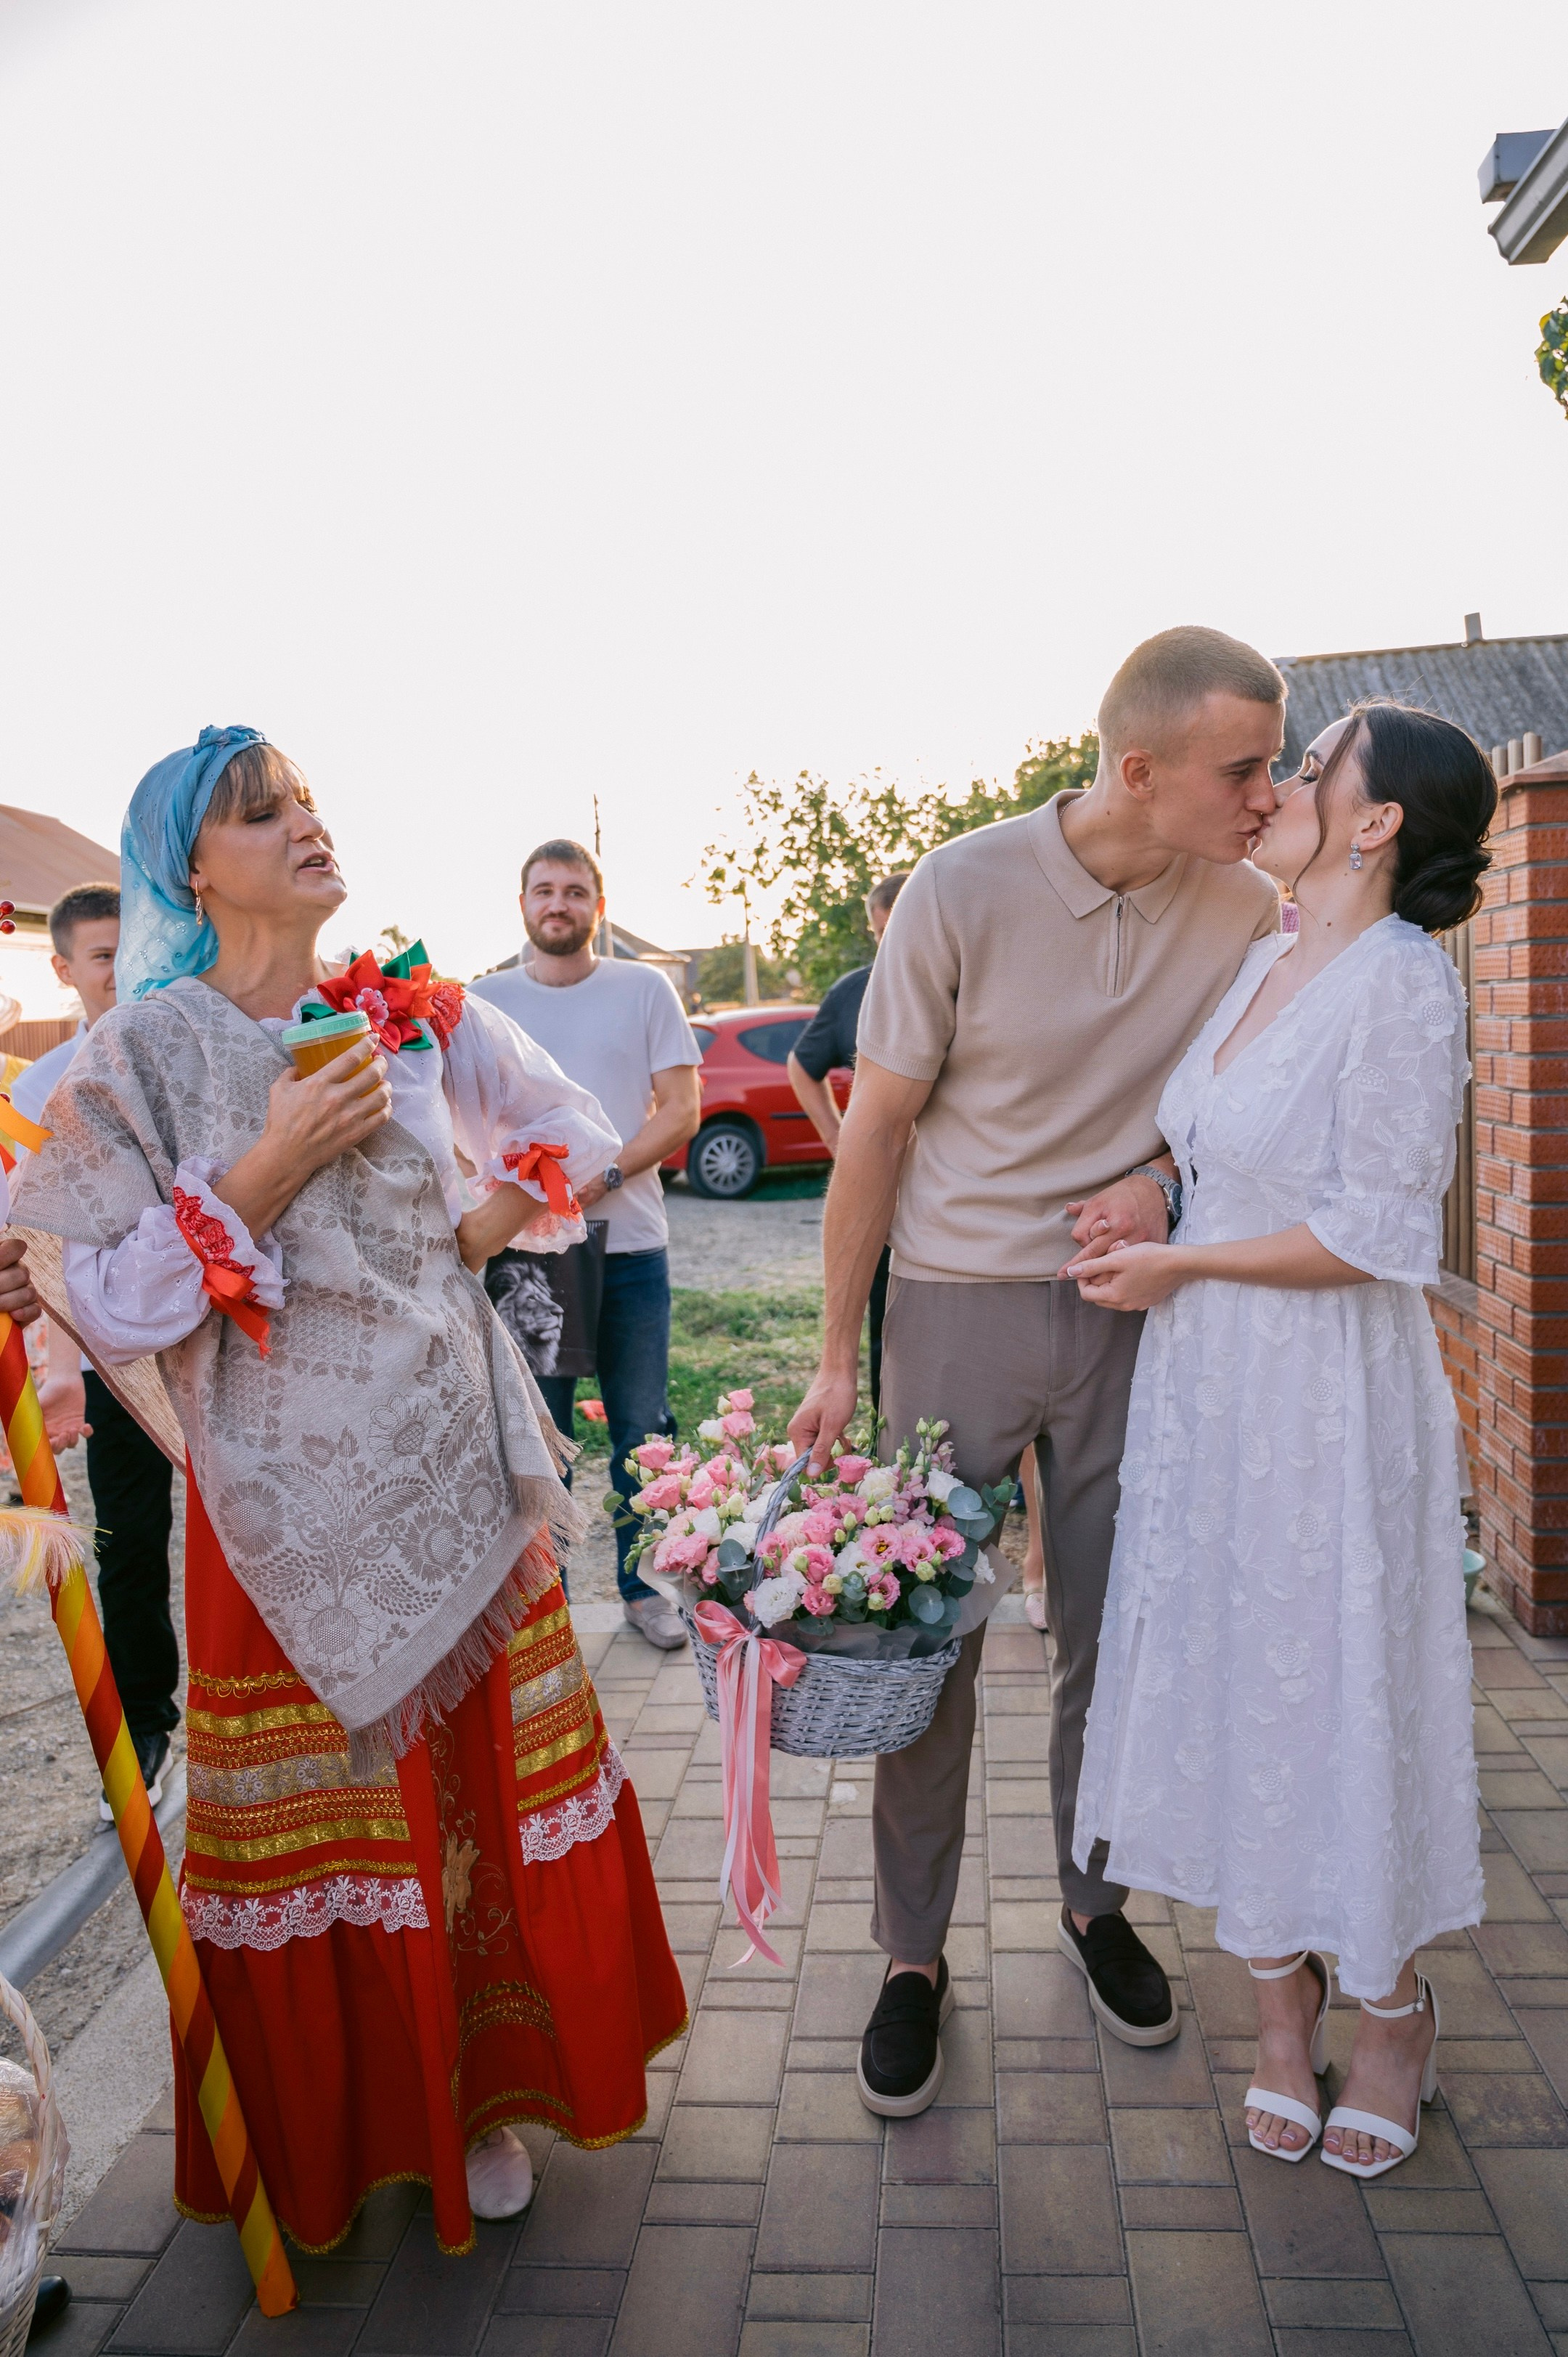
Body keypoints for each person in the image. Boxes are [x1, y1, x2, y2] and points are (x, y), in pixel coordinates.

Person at [12, 730, 686, 2254]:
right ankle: (353, 2122)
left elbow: (563, 1139)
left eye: (310, 801)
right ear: (193, 869)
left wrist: (470, 1231)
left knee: (471, 1796)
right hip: (275, 1507)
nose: (308, 827)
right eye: (266, 814)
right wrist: (260, 1170)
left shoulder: (412, 1017)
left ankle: (485, 2099)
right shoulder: (138, 1051)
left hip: (455, 1470)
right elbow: (108, 1298)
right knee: (335, 1830)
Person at [788, 626, 1286, 2118]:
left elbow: (1250, 1108)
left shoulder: (1252, 902)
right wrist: (830, 1352)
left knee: (1116, 1634)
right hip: (953, 1304)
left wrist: (1161, 1181)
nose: (1269, 794)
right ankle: (910, 1959)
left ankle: (1095, 1905)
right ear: (1140, 771)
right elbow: (872, 1131)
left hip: (1140, 1311)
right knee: (922, 1647)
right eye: (1243, 769)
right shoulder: (961, 887)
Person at [1067, 702, 1493, 2179]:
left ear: (1376, 825)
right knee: (1235, 1680)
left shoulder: (1400, 988)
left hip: (1322, 1397)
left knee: (1332, 1681)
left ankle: (1391, 2012)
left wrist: (1184, 1266)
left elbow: (1374, 1233)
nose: (1292, 781)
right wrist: (1147, 1192)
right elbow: (1211, 1142)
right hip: (1213, 1397)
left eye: (1319, 769)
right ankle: (1274, 2012)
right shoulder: (1265, 956)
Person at [470, 840, 703, 1652]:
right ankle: (553, 1609)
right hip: (531, 1258)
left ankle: (646, 1593)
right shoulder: (483, 1000)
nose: (558, 904)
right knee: (546, 1435)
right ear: (524, 904)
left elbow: (679, 1111)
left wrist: (601, 1173)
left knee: (641, 1432)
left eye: (575, 891)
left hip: (630, 1246)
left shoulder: (644, 989)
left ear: (597, 907)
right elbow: (462, 1122)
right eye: (544, 890)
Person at [17, 884, 181, 1811]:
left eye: (134, 949)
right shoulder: (46, 1090)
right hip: (118, 1344)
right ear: (66, 969)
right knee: (129, 1532)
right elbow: (50, 1247)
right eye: (101, 956)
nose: (121, 971)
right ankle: (148, 1720)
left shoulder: (185, 1047)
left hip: (215, 1328)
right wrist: (64, 1374)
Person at [787, 872, 907, 1414]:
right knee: (888, 1331)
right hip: (884, 1192)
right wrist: (839, 1139)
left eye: (903, 926)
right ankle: (896, 1460)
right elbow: (801, 1065)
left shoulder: (974, 976)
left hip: (958, 1194)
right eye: (883, 933)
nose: (895, 944)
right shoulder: (856, 991)